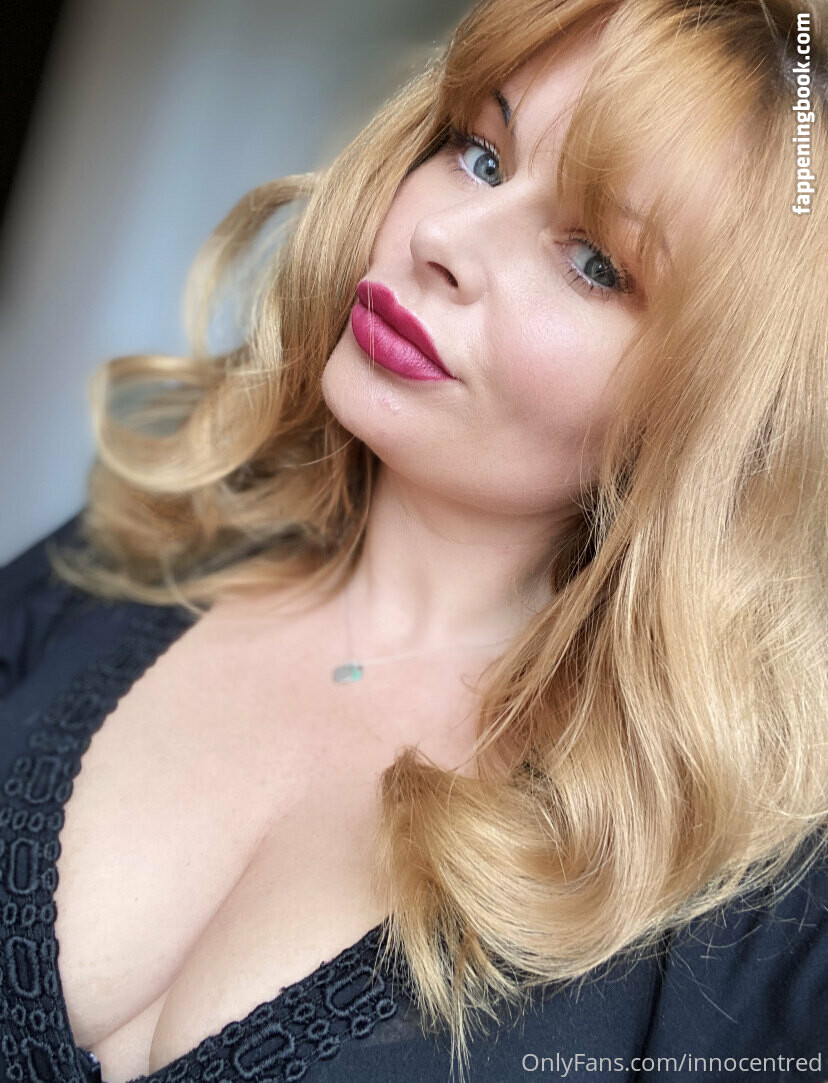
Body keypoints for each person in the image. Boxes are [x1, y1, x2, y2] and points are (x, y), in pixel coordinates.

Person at [1, 0, 825, 1080]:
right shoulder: (137, 550)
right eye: (480, 156)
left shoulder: (756, 913)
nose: (441, 239)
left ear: (719, 420)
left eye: (595, 262)